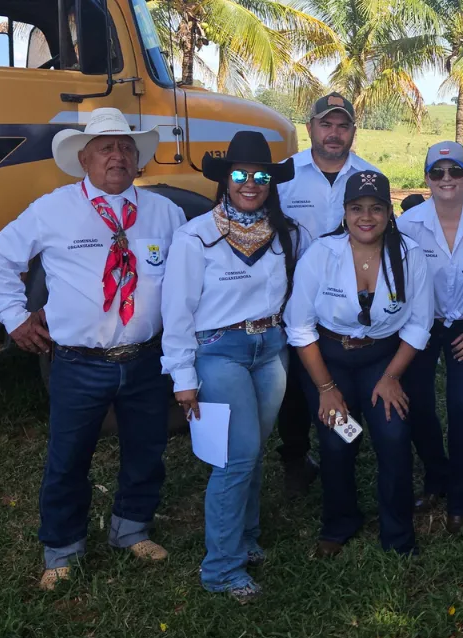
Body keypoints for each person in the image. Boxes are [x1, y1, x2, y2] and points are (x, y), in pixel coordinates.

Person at [0, 108, 186, 590]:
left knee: (147, 450)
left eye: (125, 147)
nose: (116, 156)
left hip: (144, 359)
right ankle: (62, 547)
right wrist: (14, 319)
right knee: (69, 457)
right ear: (85, 158)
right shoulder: (53, 209)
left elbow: (188, 280)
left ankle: (131, 528)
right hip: (78, 363)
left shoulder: (166, 214)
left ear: (137, 159)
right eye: (105, 147)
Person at [161, 132, 304, 602]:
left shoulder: (287, 232)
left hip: (271, 348)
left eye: (261, 175)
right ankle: (220, 569)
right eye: (239, 174)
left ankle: (245, 536)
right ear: (224, 179)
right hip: (220, 350)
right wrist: (183, 379)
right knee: (236, 457)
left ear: (271, 182)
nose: (250, 183)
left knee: (253, 450)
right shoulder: (194, 236)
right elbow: (177, 312)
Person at [284, 171, 433, 557]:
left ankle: (397, 533)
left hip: (384, 360)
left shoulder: (410, 255)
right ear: (345, 212)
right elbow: (299, 327)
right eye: (356, 208)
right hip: (328, 363)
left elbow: (419, 324)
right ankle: (339, 521)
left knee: (393, 436)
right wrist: (326, 390)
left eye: (376, 208)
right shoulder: (321, 254)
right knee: (338, 440)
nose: (366, 217)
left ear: (388, 213)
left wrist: (391, 378)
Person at [275, 93, 381, 497]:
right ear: (310, 128)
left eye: (343, 125)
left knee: (340, 380)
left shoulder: (368, 176)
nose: (334, 134)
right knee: (295, 389)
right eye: (326, 124)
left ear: (353, 131)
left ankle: (344, 447)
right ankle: (297, 458)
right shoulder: (285, 174)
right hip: (295, 300)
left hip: (349, 305)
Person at [397, 142, 463, 532]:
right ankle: (436, 476)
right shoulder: (407, 225)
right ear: (426, 178)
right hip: (421, 326)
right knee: (419, 404)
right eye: (437, 172)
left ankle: (460, 495)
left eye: (455, 171)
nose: (447, 179)